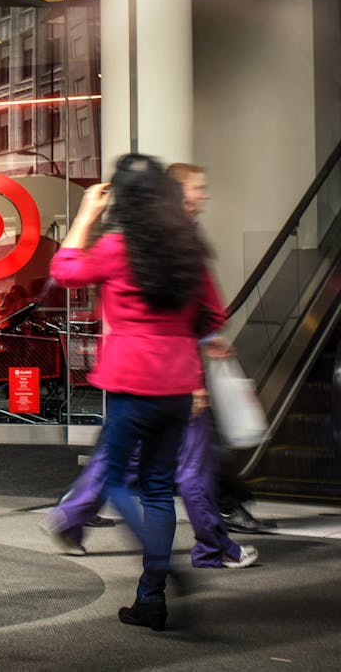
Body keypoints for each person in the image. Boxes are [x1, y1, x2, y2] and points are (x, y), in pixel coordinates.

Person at [42, 163, 260, 571]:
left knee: (117, 469)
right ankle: (161, 581)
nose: (203, 195)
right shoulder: (186, 247)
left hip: (129, 376)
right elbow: (212, 314)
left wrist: (88, 213)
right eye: (198, 188)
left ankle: (158, 565)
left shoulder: (116, 246)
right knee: (165, 482)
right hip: (178, 380)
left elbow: (65, 270)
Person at [171, 163, 275, 536]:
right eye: (199, 187)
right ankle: (225, 515)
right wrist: (201, 339)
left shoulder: (187, 231)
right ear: (181, 191)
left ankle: (80, 503)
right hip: (180, 354)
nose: (206, 193)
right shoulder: (174, 235)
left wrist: (209, 334)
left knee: (143, 440)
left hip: (191, 346)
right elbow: (179, 301)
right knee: (201, 437)